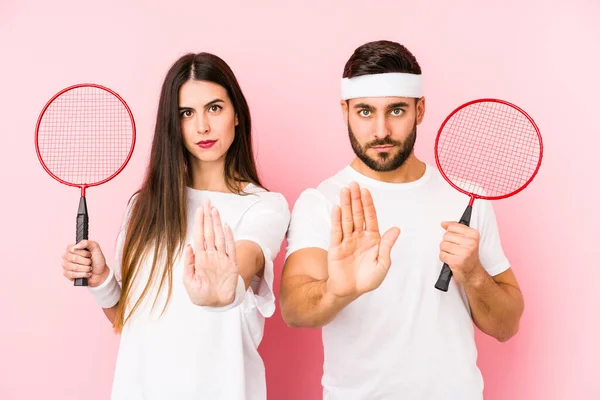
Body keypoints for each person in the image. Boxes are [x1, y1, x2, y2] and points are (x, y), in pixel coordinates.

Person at [280, 40, 524, 400]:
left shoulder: (466, 198)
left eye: (396, 111)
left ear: (420, 109)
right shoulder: (321, 202)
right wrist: (338, 289)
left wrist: (472, 273)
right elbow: (293, 311)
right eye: (365, 112)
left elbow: (506, 326)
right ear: (344, 110)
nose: (381, 131)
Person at [61, 52, 290, 400]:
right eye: (186, 113)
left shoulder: (265, 207)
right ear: (173, 123)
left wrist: (222, 292)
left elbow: (245, 262)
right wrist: (102, 280)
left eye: (215, 108)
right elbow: (129, 317)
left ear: (237, 115)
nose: (202, 127)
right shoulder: (144, 206)